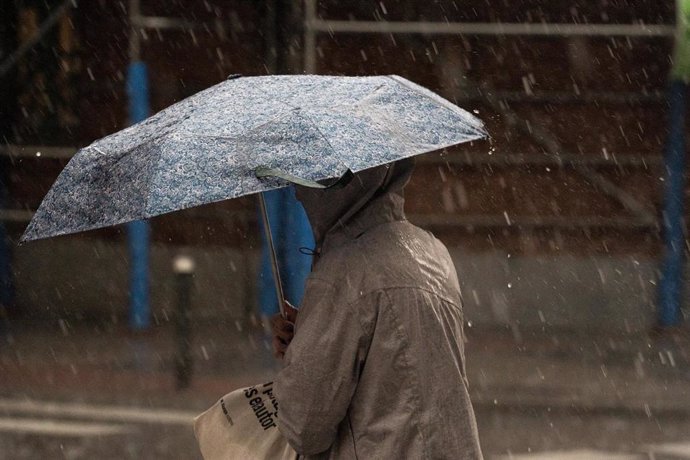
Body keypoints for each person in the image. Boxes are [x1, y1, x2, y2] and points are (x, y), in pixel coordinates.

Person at [272, 159, 483, 459]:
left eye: (308, 179)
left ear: (335, 185)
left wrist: (302, 357)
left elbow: (304, 425)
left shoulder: (344, 272)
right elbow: (396, 367)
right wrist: (311, 333)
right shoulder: (432, 250)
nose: (297, 193)